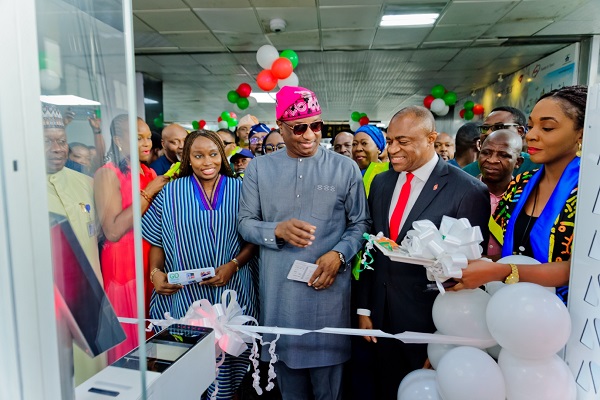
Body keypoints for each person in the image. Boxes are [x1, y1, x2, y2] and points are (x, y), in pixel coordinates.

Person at [238, 85, 370, 400]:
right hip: (280, 301)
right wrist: (276, 231)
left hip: (328, 299)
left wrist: (339, 255)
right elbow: (245, 224)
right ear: (281, 127)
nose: (310, 135)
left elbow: (361, 223)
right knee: (290, 393)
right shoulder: (259, 169)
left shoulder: (344, 168)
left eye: (316, 125)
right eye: (299, 128)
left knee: (329, 392)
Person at [356, 106, 490, 399]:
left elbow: (468, 274)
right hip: (381, 318)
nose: (392, 149)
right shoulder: (381, 183)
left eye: (402, 141)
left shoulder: (467, 190)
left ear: (431, 139)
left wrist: (446, 342)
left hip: (431, 324)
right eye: (389, 141)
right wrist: (365, 307)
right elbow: (372, 246)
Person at [142, 130, 258, 400]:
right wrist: (155, 273)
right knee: (185, 373)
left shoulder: (242, 190)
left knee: (227, 369)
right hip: (183, 297)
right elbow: (157, 241)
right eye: (198, 156)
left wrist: (233, 265)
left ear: (222, 156)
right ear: (188, 159)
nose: (207, 162)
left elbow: (254, 239)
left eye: (213, 154)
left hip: (231, 292)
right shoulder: (170, 192)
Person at [451, 85, 587, 306]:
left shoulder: (590, 191)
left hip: (572, 312)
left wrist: (501, 271)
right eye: (531, 127)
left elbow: (580, 268)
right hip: (515, 307)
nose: (531, 136)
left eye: (547, 128)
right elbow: (506, 250)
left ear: (581, 133)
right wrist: (464, 265)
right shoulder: (521, 184)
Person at [94, 114, 169, 363]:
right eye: (138, 138)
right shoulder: (108, 174)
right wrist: (148, 192)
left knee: (151, 338)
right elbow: (113, 230)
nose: (147, 143)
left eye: (148, 137)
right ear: (118, 140)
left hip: (150, 261)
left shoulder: (149, 172)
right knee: (129, 339)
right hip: (124, 265)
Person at [42, 103, 106, 383]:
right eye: (47, 141)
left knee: (92, 376)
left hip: (89, 299)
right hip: (46, 303)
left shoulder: (86, 183)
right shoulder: (18, 188)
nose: (57, 149)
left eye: (61, 141)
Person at [478, 129, 523, 256]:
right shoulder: (463, 191)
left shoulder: (525, 198)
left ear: (518, 162)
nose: (492, 160)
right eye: (486, 153)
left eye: (503, 155)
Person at [462, 106, 541, 176]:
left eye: (498, 127)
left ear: (519, 131)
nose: (488, 133)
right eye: (485, 128)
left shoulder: (538, 166)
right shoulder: (467, 173)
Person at [352, 124, 389, 197]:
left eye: (364, 143)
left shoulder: (387, 174)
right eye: (354, 144)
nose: (358, 148)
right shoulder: (348, 173)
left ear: (378, 148)